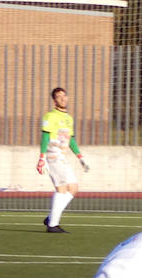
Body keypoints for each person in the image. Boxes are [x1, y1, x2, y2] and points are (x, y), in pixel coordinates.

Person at [37, 87, 88, 233]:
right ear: (54, 100)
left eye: (64, 96)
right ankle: (53, 225)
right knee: (61, 189)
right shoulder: (50, 116)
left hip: (63, 157)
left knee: (73, 188)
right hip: (53, 155)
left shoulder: (68, 118)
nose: (63, 98)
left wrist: (80, 157)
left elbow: (71, 139)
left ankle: (51, 217)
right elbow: (45, 137)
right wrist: (41, 158)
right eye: (59, 96)